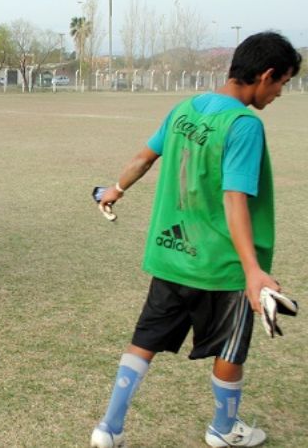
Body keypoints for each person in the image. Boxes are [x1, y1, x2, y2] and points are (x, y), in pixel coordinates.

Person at [90, 32, 301, 448]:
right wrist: (253, 271)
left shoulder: (184, 108)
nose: (279, 93)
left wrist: (115, 189)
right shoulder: (244, 125)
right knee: (230, 349)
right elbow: (234, 199)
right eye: (281, 83)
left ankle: (108, 429)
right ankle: (224, 429)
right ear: (266, 75)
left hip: (171, 256)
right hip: (221, 267)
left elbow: (145, 157)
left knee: (144, 340)